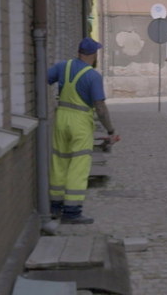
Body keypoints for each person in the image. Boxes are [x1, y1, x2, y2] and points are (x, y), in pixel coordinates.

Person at [48, 37, 117, 224]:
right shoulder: (93, 76)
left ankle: (55, 206)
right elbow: (100, 107)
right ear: (93, 55)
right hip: (79, 121)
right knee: (78, 165)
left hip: (61, 118)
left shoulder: (63, 66)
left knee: (59, 161)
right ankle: (72, 211)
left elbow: (45, 78)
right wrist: (110, 130)